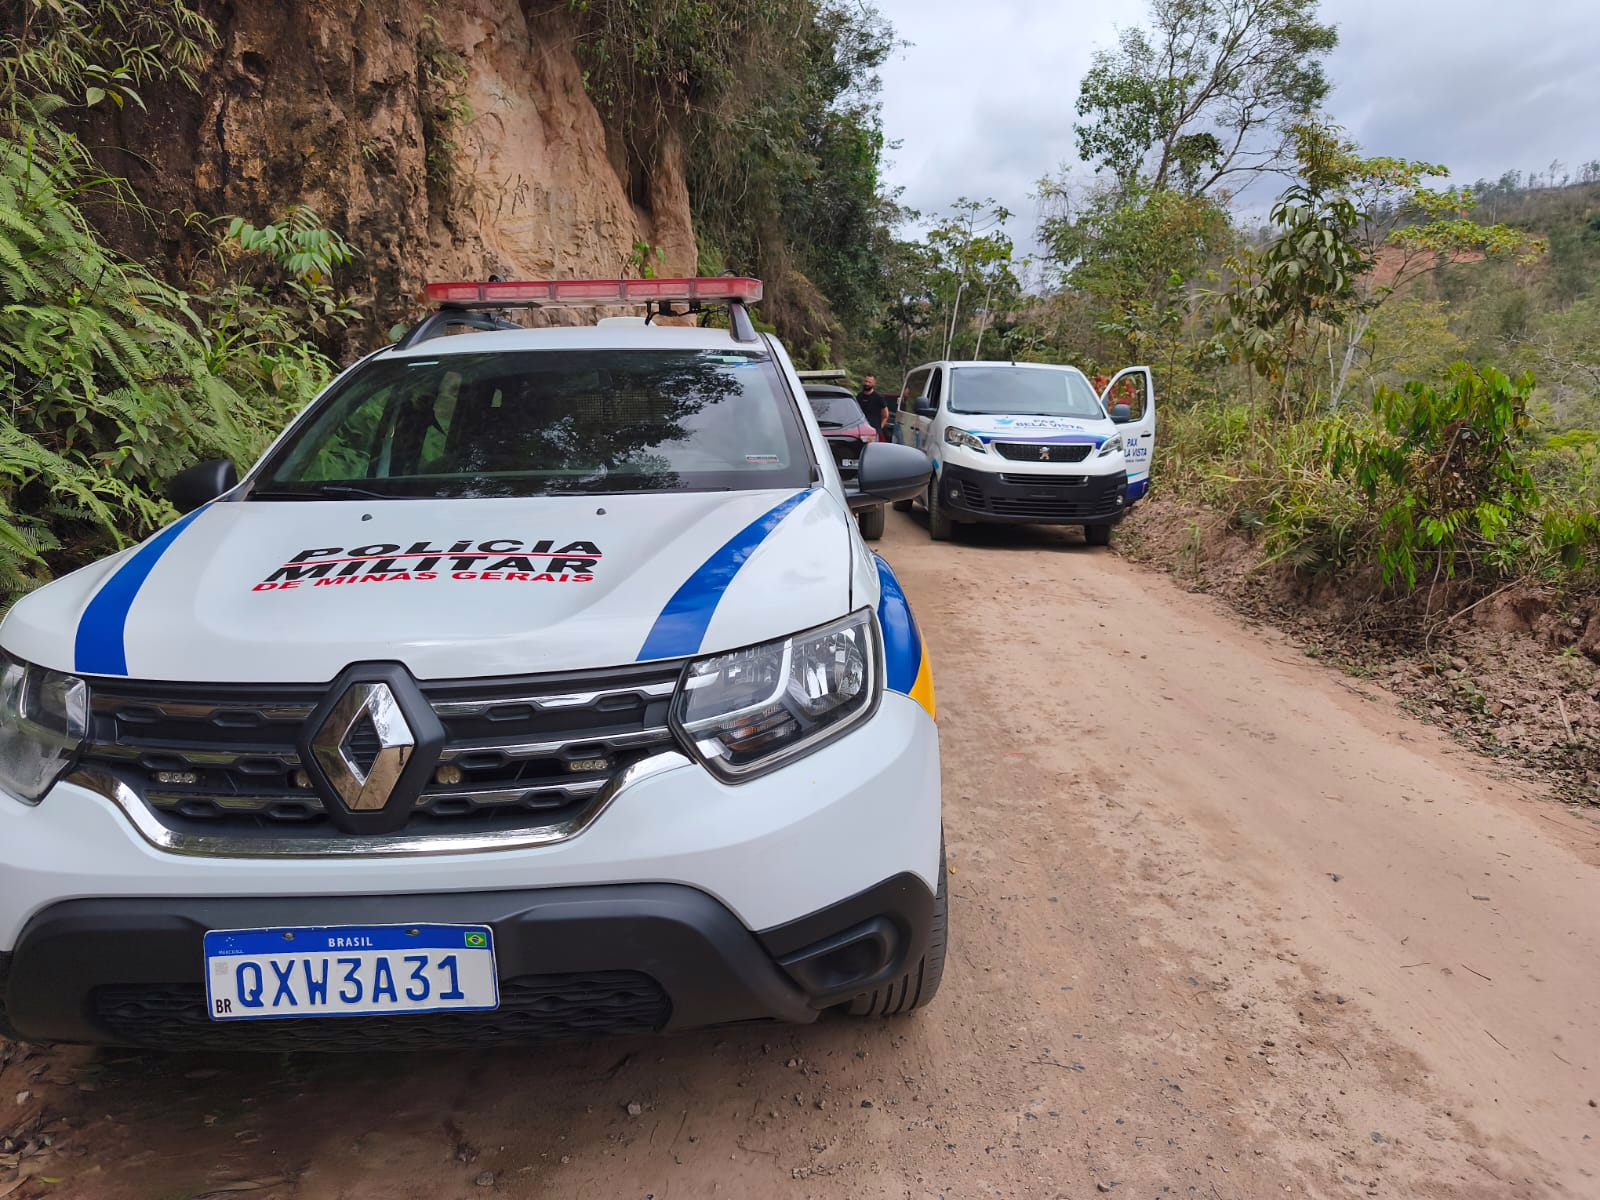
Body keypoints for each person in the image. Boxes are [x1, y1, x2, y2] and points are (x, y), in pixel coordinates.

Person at [857, 375, 891, 443]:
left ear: (874, 384)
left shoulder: (879, 398)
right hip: (860, 431)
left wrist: (879, 429)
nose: (867, 384)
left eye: (869, 382)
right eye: (866, 381)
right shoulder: (859, 396)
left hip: (873, 432)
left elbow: (886, 415)